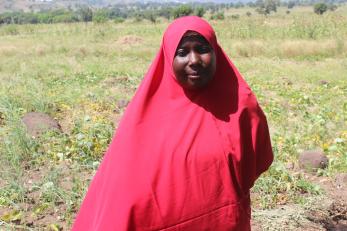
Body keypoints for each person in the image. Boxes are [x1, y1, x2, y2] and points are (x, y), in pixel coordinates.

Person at [72, 16, 273, 231]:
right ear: (168, 58)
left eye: (202, 48)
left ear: (216, 51)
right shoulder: (144, 118)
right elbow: (120, 193)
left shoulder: (241, 105)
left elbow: (257, 159)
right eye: (182, 52)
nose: (194, 59)